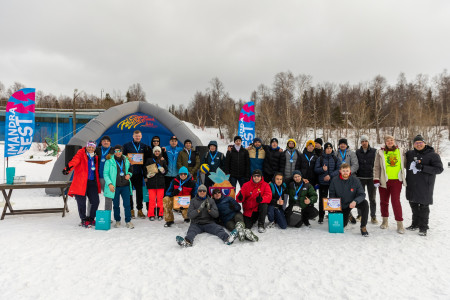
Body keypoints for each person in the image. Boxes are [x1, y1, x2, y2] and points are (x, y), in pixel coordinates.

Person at [405, 135, 444, 236]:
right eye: (416, 143)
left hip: (425, 185)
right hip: (412, 184)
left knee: (423, 206)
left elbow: (439, 169)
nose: (418, 144)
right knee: (413, 204)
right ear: (414, 144)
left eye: (420, 142)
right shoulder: (410, 154)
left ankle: (423, 227)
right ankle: (415, 224)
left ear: (424, 143)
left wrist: (423, 167)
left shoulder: (433, 155)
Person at [62, 140, 101, 228]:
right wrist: (67, 169)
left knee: (95, 201)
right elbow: (74, 161)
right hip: (81, 182)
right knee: (81, 202)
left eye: (92, 147)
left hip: (92, 182)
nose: (91, 149)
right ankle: (83, 219)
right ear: (86, 147)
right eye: (89, 147)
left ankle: (91, 218)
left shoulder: (95, 157)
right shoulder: (81, 153)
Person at [373, 135, 407, 234]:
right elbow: (376, 167)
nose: (390, 142)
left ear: (394, 141)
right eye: (388, 141)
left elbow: (405, 163)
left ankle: (400, 224)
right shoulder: (380, 152)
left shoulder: (400, 150)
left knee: (395, 201)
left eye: (391, 140)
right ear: (385, 142)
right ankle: (385, 221)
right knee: (384, 201)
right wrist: (376, 179)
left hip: (397, 180)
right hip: (384, 180)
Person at [329, 163, 369, 237]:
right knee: (342, 225)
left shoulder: (355, 180)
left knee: (365, 203)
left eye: (347, 171)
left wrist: (355, 201)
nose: (345, 173)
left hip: (352, 202)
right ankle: (348, 215)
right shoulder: (334, 180)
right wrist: (332, 207)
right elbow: (332, 194)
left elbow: (362, 194)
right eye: (343, 171)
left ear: (350, 171)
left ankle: (363, 226)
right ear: (340, 171)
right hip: (342, 205)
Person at [103, 145, 134, 229]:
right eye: (116, 151)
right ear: (113, 152)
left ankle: (128, 221)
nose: (118, 153)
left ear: (122, 151)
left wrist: (129, 174)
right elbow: (105, 174)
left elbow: (131, 169)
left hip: (125, 186)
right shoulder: (109, 161)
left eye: (119, 151)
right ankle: (117, 220)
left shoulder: (127, 159)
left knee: (127, 205)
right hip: (115, 187)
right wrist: (110, 184)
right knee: (116, 205)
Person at [236, 169, 272, 235]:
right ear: (252, 177)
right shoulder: (246, 185)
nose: (256, 178)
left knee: (264, 204)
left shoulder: (265, 185)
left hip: (259, 209)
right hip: (249, 210)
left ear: (261, 177)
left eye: (258, 176)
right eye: (255, 176)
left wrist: (262, 199)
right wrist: (240, 197)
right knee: (247, 226)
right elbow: (240, 196)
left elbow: (268, 196)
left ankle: (261, 224)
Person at [122, 130, 148, 219]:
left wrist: (145, 175)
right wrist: (128, 161)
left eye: (139, 136)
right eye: (136, 136)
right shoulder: (126, 145)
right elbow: (122, 157)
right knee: (129, 192)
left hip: (139, 173)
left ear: (141, 136)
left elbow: (146, 161)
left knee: (139, 192)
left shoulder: (144, 146)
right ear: (133, 136)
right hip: (129, 173)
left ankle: (140, 210)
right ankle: (131, 210)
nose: (137, 137)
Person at [314, 142, 341, 224]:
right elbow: (316, 169)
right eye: (327, 148)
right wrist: (322, 169)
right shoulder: (320, 158)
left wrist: (330, 175)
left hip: (333, 182)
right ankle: (321, 216)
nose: (329, 150)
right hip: (323, 182)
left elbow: (339, 170)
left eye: (330, 148)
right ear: (324, 149)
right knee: (323, 199)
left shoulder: (336, 158)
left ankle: (332, 214)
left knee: (333, 199)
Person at [355, 135, 378, 224]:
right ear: (360, 143)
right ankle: (360, 215)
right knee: (360, 197)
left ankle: (373, 216)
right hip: (360, 178)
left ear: (368, 142)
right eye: (362, 141)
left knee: (372, 198)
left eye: (365, 141)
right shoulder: (357, 152)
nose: (364, 143)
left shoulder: (374, 151)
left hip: (371, 178)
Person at [143, 146, 167, 221]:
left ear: (160, 152)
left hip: (160, 183)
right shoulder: (149, 160)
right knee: (152, 200)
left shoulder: (162, 160)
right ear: (153, 152)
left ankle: (160, 214)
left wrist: (163, 170)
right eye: (155, 151)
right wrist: (147, 175)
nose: (157, 153)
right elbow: (145, 170)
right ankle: (151, 214)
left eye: (158, 151)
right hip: (151, 183)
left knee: (160, 200)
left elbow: (166, 171)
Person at [94, 135, 114, 211]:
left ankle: (107, 216)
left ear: (110, 143)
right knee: (93, 198)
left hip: (108, 179)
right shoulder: (96, 150)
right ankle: (91, 216)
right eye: (104, 141)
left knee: (108, 198)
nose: (106, 142)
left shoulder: (113, 150)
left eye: (107, 141)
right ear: (101, 142)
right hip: (97, 178)